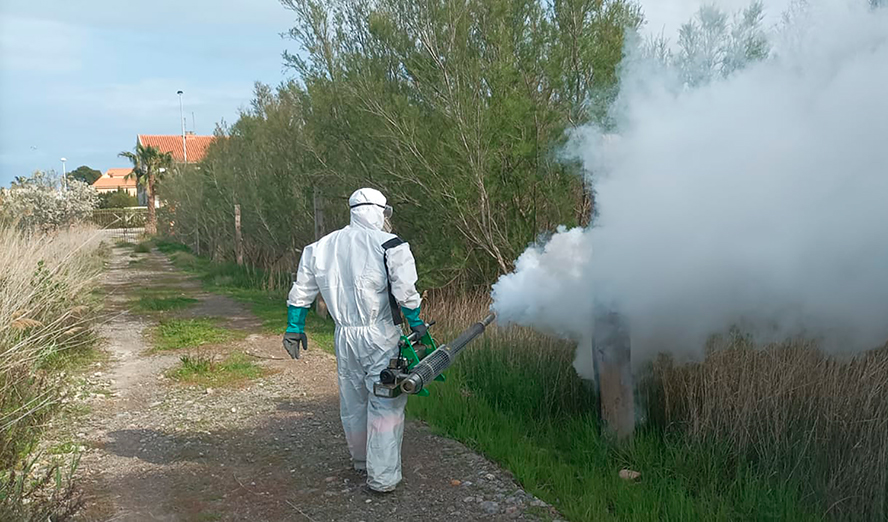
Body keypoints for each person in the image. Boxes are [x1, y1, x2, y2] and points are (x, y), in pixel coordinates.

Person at [282, 187, 427, 493]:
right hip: (380, 334)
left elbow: (301, 292)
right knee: (385, 402)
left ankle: (361, 461)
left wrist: (294, 328)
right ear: (377, 211)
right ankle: (383, 477)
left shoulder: (320, 247)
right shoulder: (390, 244)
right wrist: (418, 328)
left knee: (353, 400)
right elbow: (406, 294)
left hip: (344, 335)